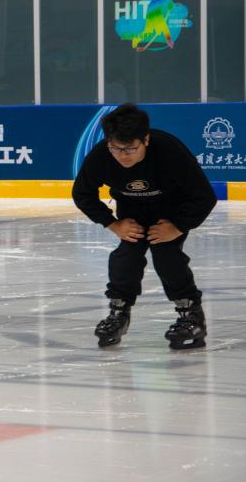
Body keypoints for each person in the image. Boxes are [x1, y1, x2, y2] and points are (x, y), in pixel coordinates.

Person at [72, 103, 216, 350]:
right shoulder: (101, 155)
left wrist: (178, 227)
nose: (122, 156)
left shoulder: (170, 151)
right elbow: (82, 193)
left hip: (171, 212)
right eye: (116, 148)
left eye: (130, 149)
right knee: (125, 257)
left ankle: (191, 315)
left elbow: (204, 196)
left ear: (146, 140)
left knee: (167, 255)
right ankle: (118, 313)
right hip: (132, 214)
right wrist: (113, 223)